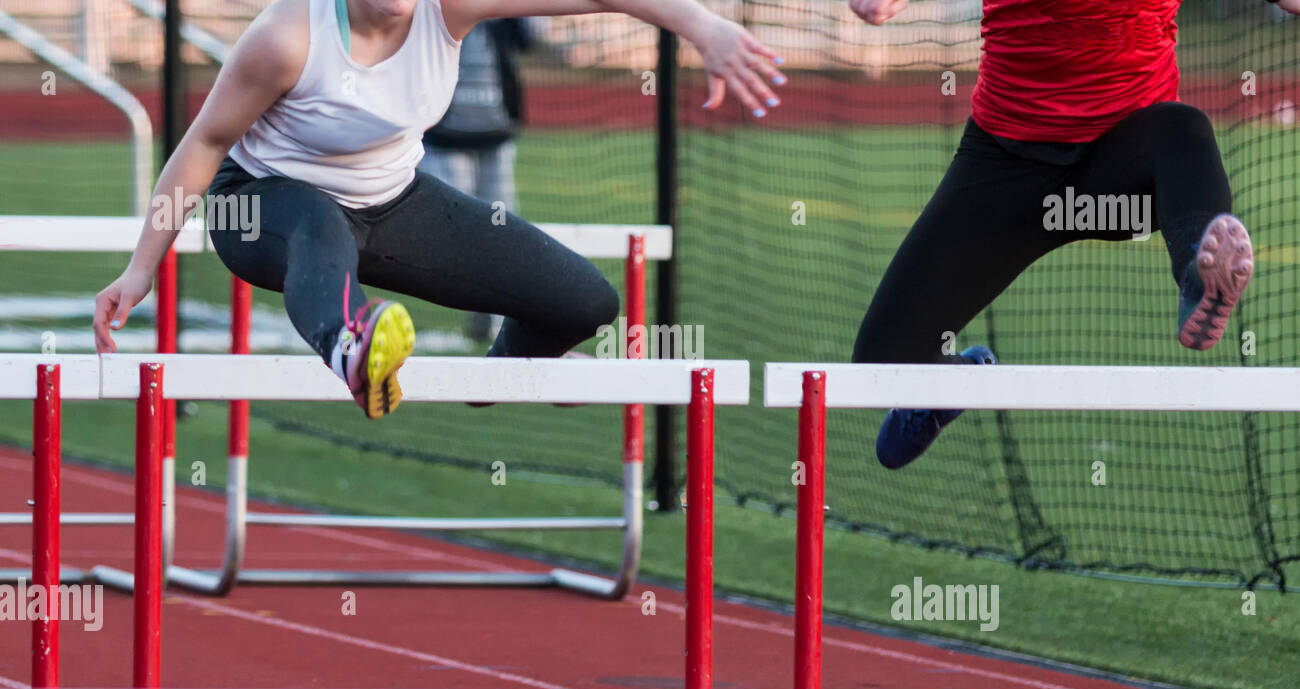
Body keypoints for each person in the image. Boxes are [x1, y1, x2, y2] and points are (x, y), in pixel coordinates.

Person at [93, 0, 785, 419]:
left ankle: (497, 381)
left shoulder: (449, 8)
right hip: (263, 208)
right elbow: (204, 142)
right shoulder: (287, 38)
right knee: (317, 221)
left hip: (393, 203)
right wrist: (139, 270)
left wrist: (704, 26)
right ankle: (352, 349)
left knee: (584, 302)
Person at [848, 0, 1300, 469]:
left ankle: (1198, 271)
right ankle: (953, 386)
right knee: (880, 364)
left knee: (1183, 129)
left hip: (1122, 184)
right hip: (1009, 171)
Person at [420, 17, 536, 342]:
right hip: (445, 139)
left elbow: (531, 38)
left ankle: (491, 312)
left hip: (495, 136)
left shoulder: (504, 12)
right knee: (455, 229)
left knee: (500, 228)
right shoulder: (437, 12)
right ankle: (477, 301)